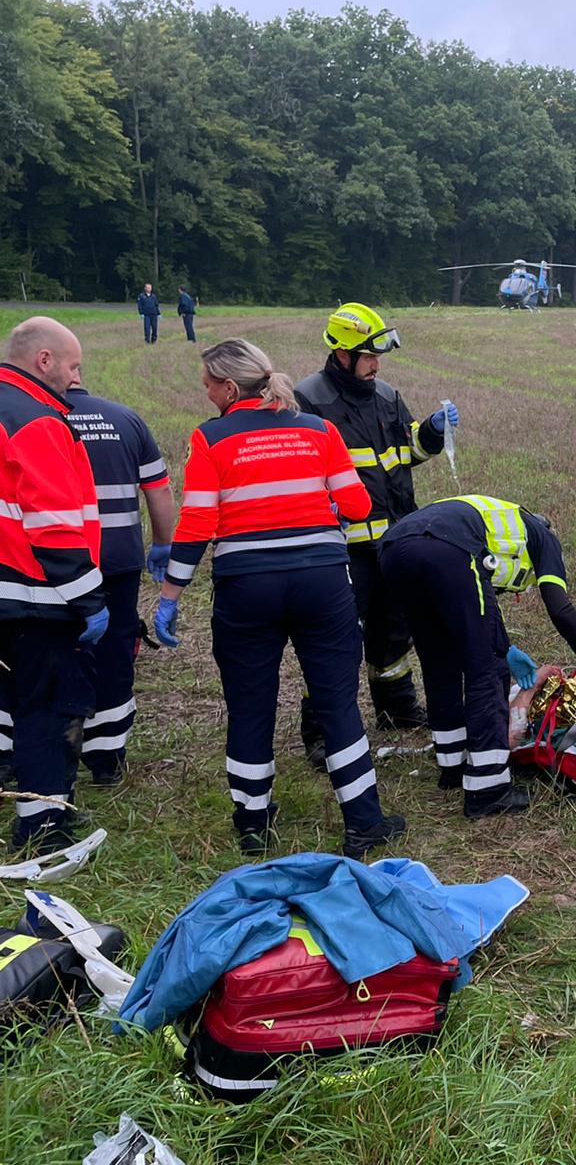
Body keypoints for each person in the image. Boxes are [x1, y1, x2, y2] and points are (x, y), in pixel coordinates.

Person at [152, 338, 404, 858]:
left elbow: (198, 520)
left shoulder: (211, 439)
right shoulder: (319, 429)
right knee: (338, 704)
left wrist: (171, 592)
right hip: (323, 584)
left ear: (227, 388)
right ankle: (364, 821)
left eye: (206, 386)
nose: (205, 396)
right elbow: (357, 505)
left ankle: (252, 826)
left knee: (250, 707)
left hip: (247, 586)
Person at [380, 496, 576, 817]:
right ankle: (487, 788)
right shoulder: (543, 538)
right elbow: (558, 606)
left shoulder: (495, 526)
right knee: (487, 670)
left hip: (393, 550)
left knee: (440, 660)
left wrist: (505, 647)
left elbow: (476, 613)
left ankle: (453, 766)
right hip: (446, 550)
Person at [295, 303, 453, 761]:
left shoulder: (385, 394)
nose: (377, 364)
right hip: (343, 547)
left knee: (394, 629)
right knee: (338, 636)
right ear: (342, 354)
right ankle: (322, 730)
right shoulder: (310, 401)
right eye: (369, 355)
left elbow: (408, 452)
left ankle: (396, 707)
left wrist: (432, 434)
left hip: (393, 540)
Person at [0, 318, 106, 850]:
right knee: (46, 710)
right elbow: (54, 526)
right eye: (72, 366)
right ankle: (42, 827)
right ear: (43, 360)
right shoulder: (37, 422)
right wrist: (89, 598)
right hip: (36, 600)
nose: (74, 377)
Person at [63, 361, 177, 785]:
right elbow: (160, 491)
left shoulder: (30, 416)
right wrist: (162, 543)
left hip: (49, 561)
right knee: (114, 653)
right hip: (116, 559)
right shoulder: (125, 418)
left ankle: (43, 746)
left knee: (50, 649)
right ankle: (106, 758)